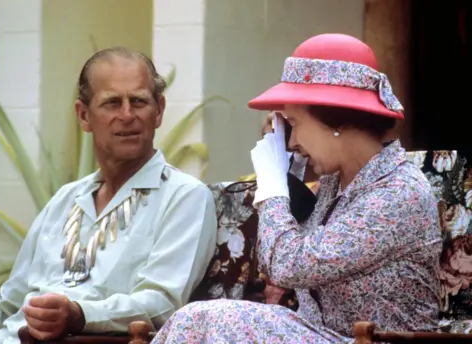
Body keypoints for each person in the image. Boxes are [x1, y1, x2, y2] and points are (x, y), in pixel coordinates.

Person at [151, 33, 442, 343]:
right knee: (197, 317)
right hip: (323, 336)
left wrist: (272, 186)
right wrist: (291, 174)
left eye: (295, 122)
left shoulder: (399, 192)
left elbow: (288, 265)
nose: (291, 140)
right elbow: (277, 256)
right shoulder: (336, 183)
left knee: (216, 320)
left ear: (335, 123)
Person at [0, 47, 217, 343]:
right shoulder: (65, 198)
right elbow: (10, 300)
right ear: (84, 115)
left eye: (139, 101)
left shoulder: (185, 197)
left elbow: (162, 303)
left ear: (159, 110)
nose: (127, 115)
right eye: (112, 103)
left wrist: (78, 314)